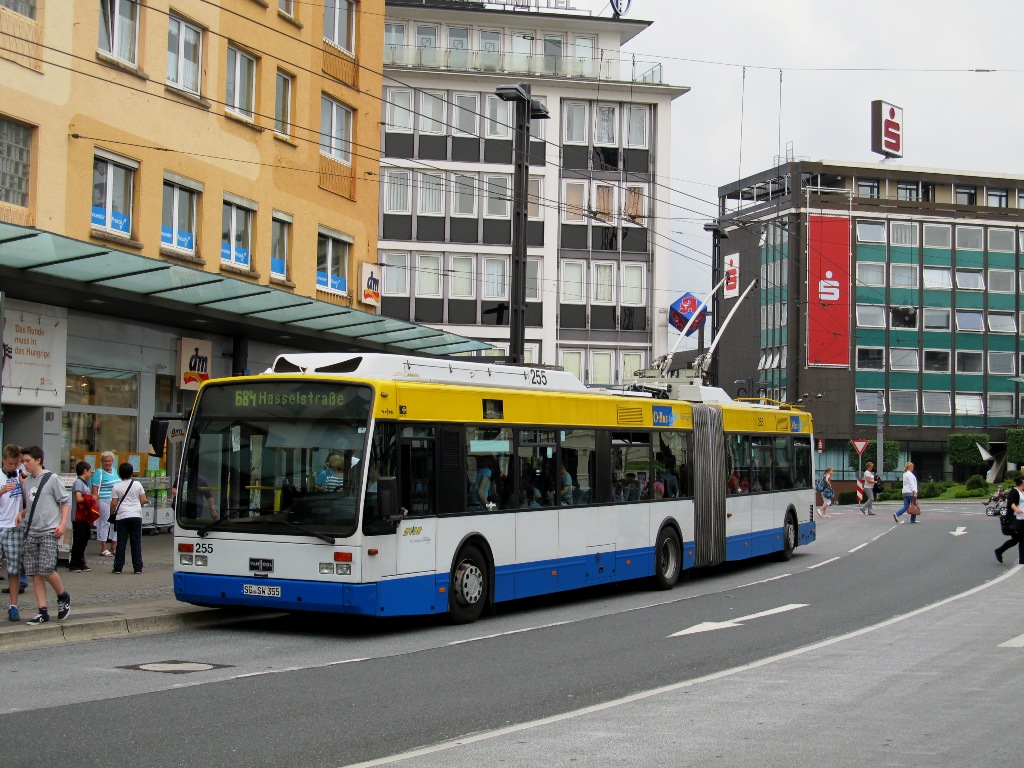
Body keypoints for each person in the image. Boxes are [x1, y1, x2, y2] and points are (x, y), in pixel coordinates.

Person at [16, 445, 71, 624]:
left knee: (46, 569)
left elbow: (65, 502)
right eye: (23, 461)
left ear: (38, 460)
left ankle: (63, 596)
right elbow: (35, 504)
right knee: (35, 573)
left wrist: (62, 524)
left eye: (27, 461)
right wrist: (22, 513)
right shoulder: (28, 481)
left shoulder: (51, 478)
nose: (25, 464)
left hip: (49, 530)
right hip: (32, 530)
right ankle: (42, 610)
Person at [0, 443, 26, 620]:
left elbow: (31, 499)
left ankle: (13, 606)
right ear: (3, 460)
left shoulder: (21, 475)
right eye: (10, 464)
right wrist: (1, 491)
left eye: (16, 463)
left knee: (14, 569)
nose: (13, 467)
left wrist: (24, 483)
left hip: (14, 527)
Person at [110, 462, 147, 574]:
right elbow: (143, 499)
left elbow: (114, 503)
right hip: (136, 515)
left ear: (120, 473)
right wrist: (136, 505)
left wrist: (112, 514)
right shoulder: (137, 484)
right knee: (136, 542)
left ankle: (118, 567)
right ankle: (138, 567)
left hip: (122, 516)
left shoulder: (116, 486)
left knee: (121, 541)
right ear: (131, 472)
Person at [92, 451, 119, 557]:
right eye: (105, 461)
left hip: (115, 501)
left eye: (109, 461)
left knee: (115, 524)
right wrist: (96, 503)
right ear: (102, 462)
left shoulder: (114, 471)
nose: (107, 463)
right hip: (104, 501)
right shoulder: (99, 472)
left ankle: (114, 547)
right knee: (105, 523)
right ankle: (104, 548)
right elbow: (95, 490)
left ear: (113, 462)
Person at [69, 461, 94, 572]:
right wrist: (90, 498)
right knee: (79, 540)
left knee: (84, 538)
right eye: (90, 470)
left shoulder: (84, 483)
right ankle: (74, 563)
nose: (91, 473)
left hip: (85, 516)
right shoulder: (78, 483)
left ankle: (80, 562)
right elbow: (79, 498)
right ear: (85, 471)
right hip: (78, 516)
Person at [995, 475, 1024, 564]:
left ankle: (999, 551)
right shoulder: (1014, 492)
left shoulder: (1022, 492)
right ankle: (1022, 560)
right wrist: (1017, 509)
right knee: (1022, 539)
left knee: (1016, 540)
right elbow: (1011, 503)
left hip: (1022, 518)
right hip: (1016, 519)